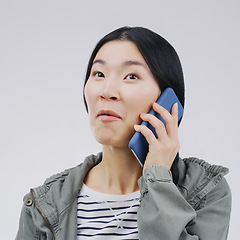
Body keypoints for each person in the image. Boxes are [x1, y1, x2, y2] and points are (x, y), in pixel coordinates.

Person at [16, 26, 231, 240]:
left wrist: (157, 178)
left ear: (167, 99)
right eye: (98, 73)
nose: (107, 91)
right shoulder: (45, 205)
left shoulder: (206, 192)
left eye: (131, 76)